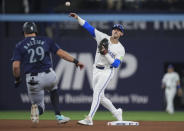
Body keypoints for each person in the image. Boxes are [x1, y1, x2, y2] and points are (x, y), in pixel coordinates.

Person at [12, 22, 84, 124]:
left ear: (24, 32)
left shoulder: (20, 45)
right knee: (53, 91)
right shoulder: (46, 40)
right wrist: (76, 62)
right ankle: (59, 116)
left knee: (40, 107)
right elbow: (61, 54)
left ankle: (37, 110)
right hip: (49, 76)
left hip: (33, 80)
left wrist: (17, 79)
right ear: (36, 31)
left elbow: (15, 66)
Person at [69, 13, 125, 125]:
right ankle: (116, 112)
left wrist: (106, 53)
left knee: (97, 93)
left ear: (121, 34)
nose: (116, 31)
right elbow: (88, 27)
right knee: (101, 96)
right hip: (96, 69)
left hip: (107, 71)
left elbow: (116, 64)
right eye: (114, 29)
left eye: (118, 30)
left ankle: (89, 118)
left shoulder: (121, 49)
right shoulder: (102, 37)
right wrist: (78, 18)